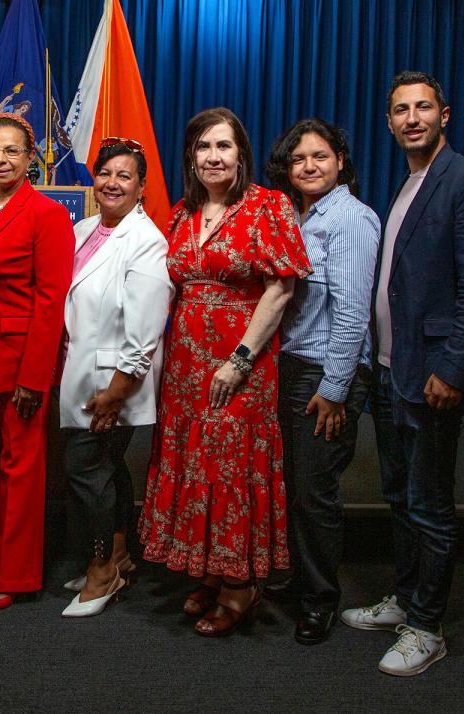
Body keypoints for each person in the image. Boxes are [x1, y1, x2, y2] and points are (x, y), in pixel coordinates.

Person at [339, 71, 464, 676]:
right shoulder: (411, 184)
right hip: (392, 372)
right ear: (389, 122)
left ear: (445, 115)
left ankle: (427, 626)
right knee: (401, 498)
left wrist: (455, 370)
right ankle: (406, 599)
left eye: (423, 108)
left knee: (431, 506)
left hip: (432, 378)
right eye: (401, 110)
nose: (412, 118)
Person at [139, 107, 311, 637]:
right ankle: (214, 572)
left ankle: (242, 588)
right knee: (198, 461)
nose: (214, 156)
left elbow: (281, 289)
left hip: (242, 361)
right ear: (192, 156)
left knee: (232, 467)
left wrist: (238, 360)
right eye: (203, 147)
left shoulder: (268, 207)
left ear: (242, 154)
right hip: (186, 364)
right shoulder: (181, 214)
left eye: (224, 146)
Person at [264, 118, 380, 644]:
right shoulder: (295, 215)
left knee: (315, 492)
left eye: (320, 157)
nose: (309, 167)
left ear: (340, 161)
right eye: (299, 160)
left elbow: (354, 312)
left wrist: (335, 388)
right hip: (292, 365)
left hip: (326, 372)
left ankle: (320, 600)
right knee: (293, 486)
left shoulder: (351, 219)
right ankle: (297, 581)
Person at [0, 113, 73, 612]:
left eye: (12, 151)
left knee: (22, 469)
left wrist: (34, 377)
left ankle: (17, 575)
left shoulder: (46, 214)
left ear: (31, 158)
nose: (0, 160)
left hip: (20, 364)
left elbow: (51, 301)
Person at [58, 137, 172, 618]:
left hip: (112, 383)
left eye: (124, 176)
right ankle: (120, 554)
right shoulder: (84, 228)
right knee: (107, 470)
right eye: (105, 173)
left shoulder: (147, 241)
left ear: (142, 187)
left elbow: (144, 333)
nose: (112, 183)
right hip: (81, 372)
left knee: (88, 473)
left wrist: (117, 392)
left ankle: (102, 570)